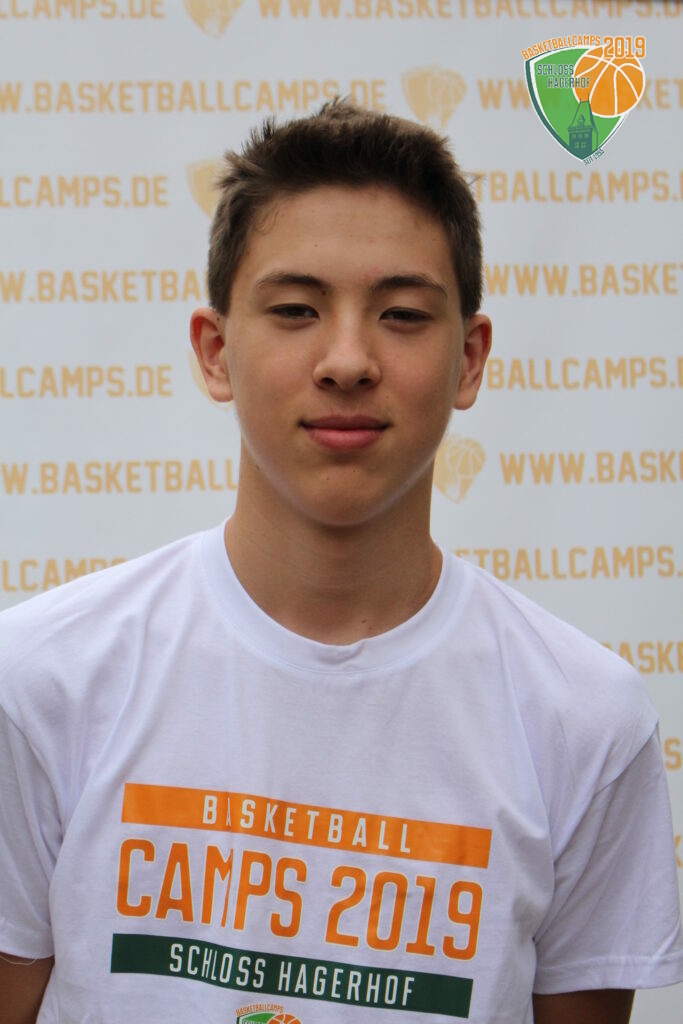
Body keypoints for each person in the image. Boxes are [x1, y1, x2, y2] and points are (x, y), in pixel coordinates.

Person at [1, 101, 681, 1024]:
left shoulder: (584, 721)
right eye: (295, 310)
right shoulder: (38, 682)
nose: (349, 360)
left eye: (402, 314)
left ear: (469, 359)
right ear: (215, 352)